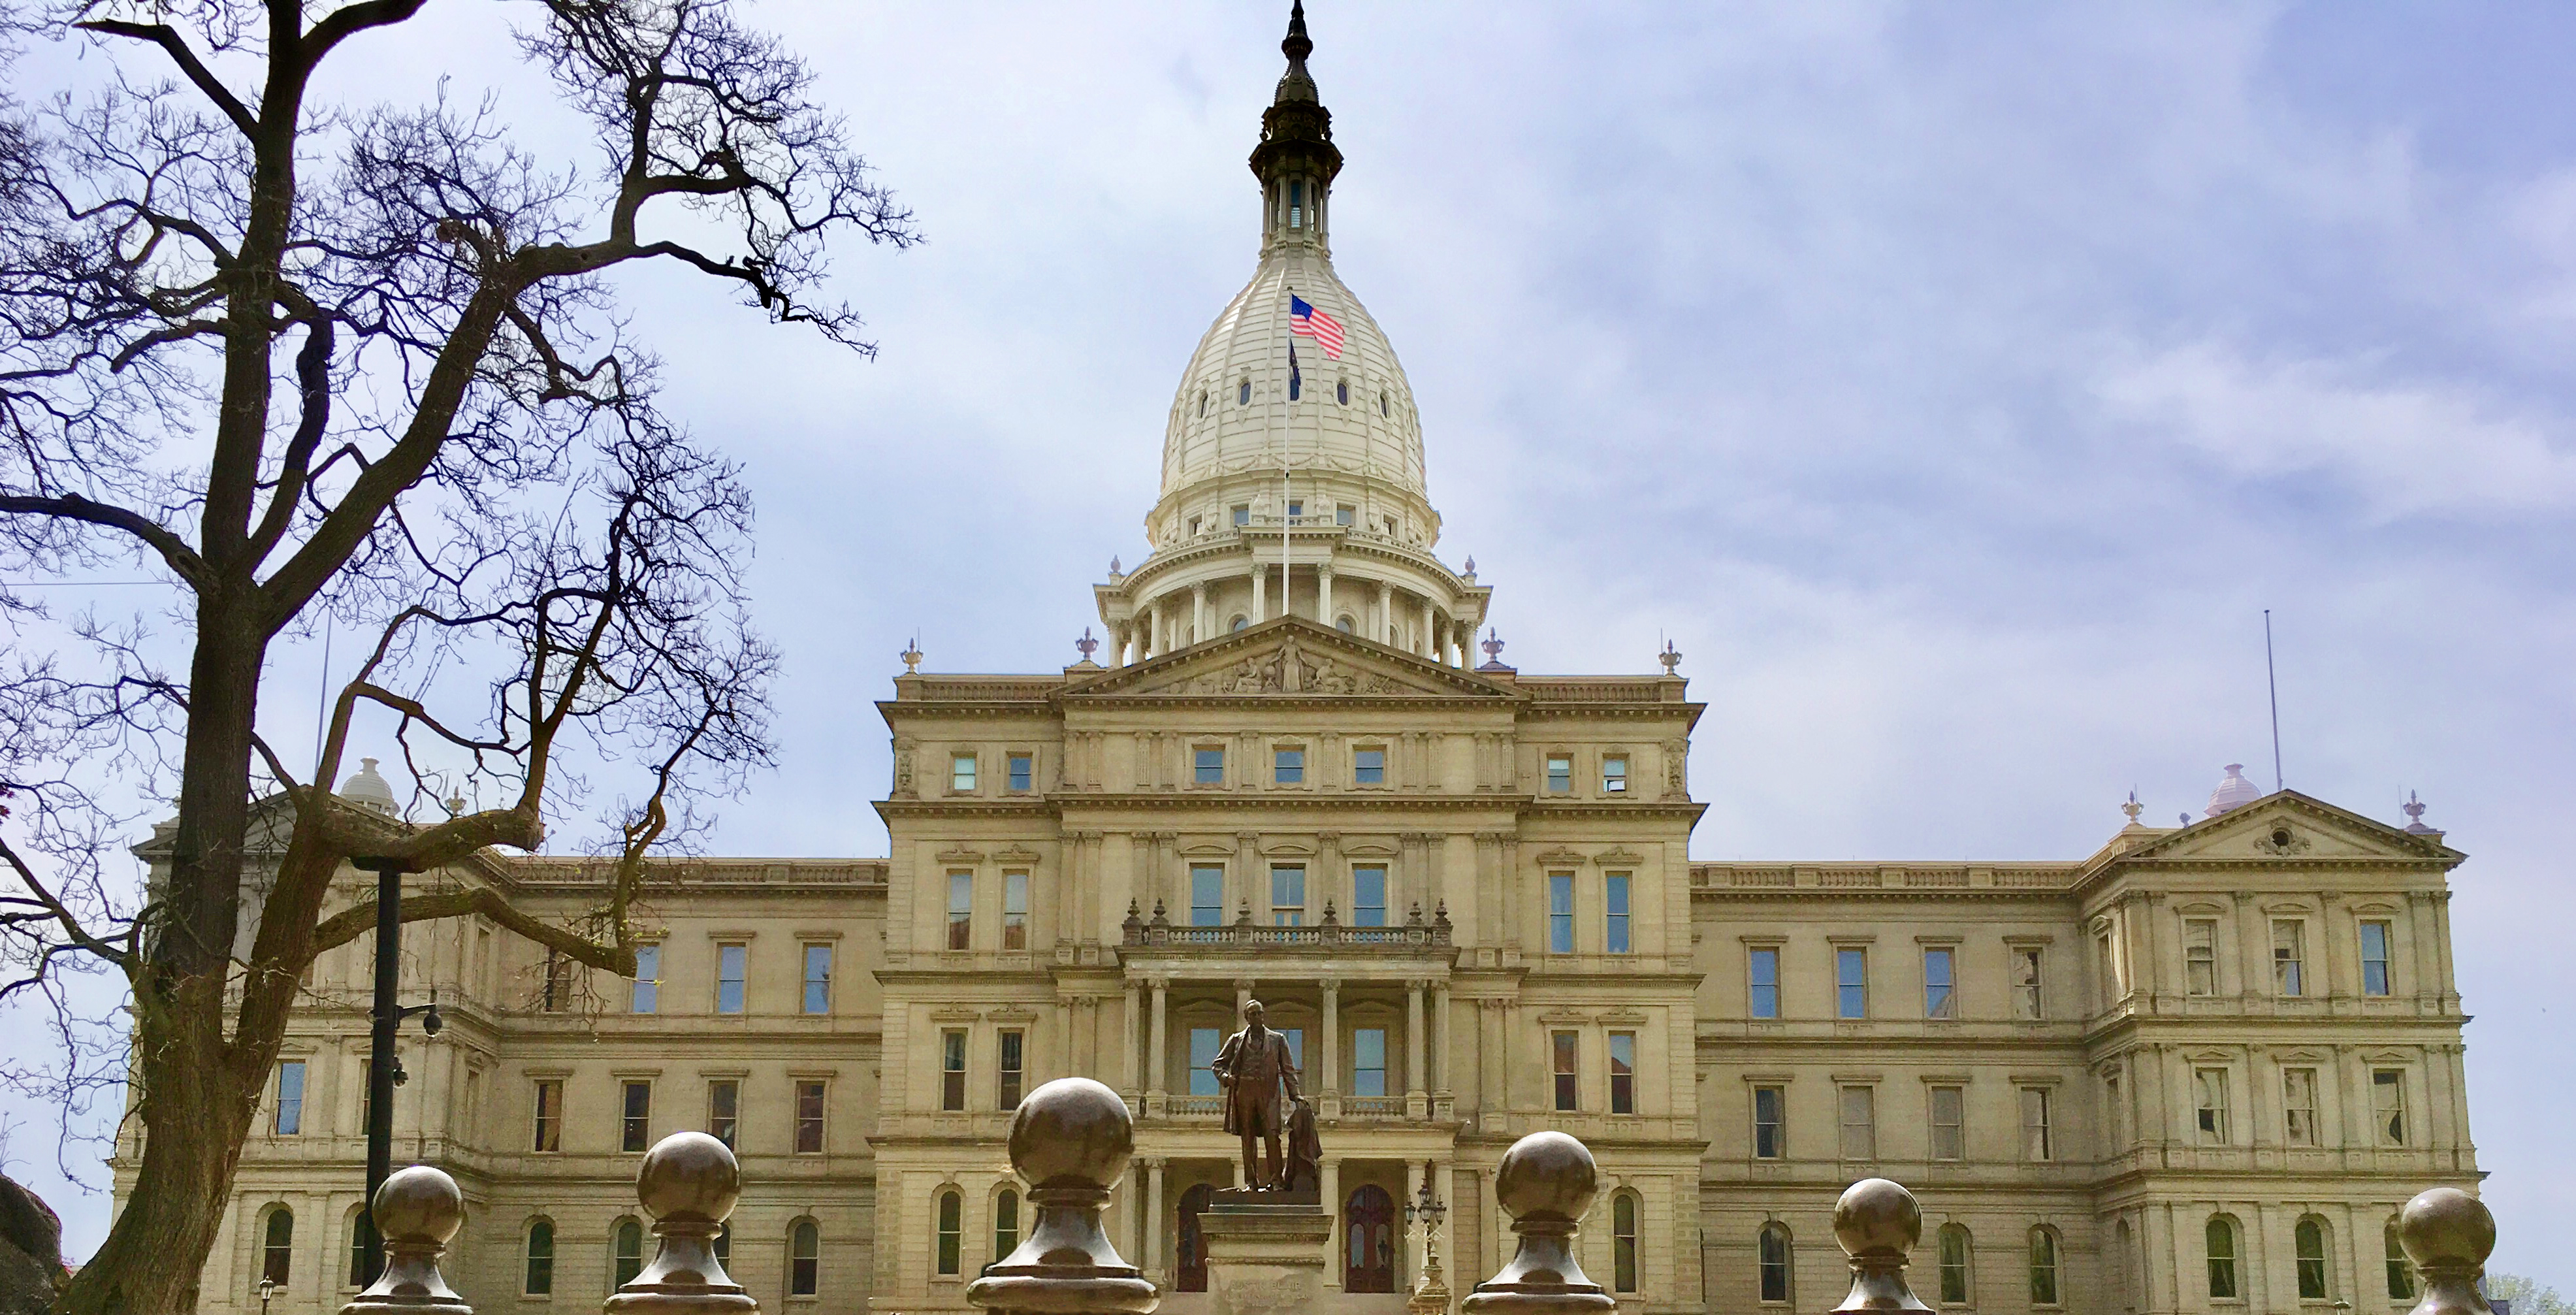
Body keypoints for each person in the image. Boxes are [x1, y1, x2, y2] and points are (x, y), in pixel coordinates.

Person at [1211, 999, 1304, 1189]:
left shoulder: (1277, 1040)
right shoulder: (1237, 1040)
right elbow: (1218, 1065)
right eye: (1253, 1014)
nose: (1258, 1017)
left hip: (1269, 1094)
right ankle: (1251, 1182)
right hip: (1244, 1093)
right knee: (1248, 1138)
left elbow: (1288, 1070)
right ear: (1247, 1018)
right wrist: (1227, 1077)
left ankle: (1277, 1180)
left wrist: (1296, 1095)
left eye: (1260, 1013)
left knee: (1272, 1136)